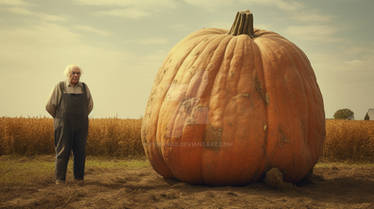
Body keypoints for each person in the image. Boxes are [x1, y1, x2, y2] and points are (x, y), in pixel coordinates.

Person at [46, 65, 93, 185]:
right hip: (63, 126)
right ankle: (60, 180)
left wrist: (80, 116)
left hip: (81, 126)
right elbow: (50, 106)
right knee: (63, 151)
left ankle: (79, 179)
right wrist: (60, 118)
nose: (76, 75)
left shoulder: (84, 87)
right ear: (68, 74)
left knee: (80, 151)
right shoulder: (60, 86)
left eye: (78, 73)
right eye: (73, 73)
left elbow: (90, 105)